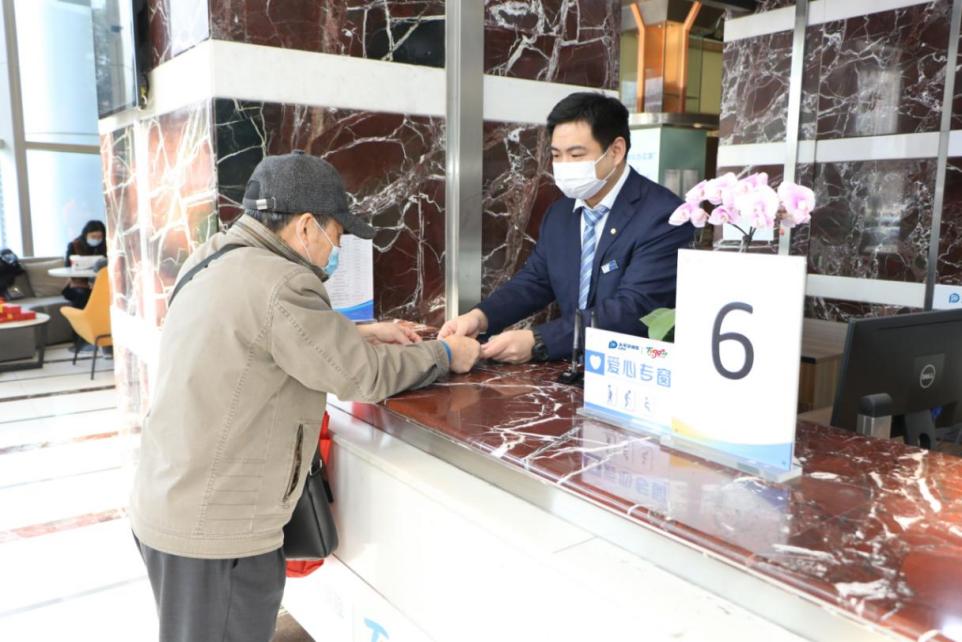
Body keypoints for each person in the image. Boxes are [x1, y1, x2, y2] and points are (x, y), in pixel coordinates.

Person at [129, 151, 481, 642]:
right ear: (307, 226)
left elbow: (257, 334)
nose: (338, 248)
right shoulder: (285, 281)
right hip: (218, 534)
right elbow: (363, 377)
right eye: (338, 234)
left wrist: (359, 330)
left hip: (168, 501)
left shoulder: (211, 256)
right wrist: (444, 353)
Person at [439, 92, 695, 363]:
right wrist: (481, 317)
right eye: (556, 155)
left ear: (616, 151)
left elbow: (634, 309)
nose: (563, 166)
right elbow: (536, 280)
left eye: (576, 154)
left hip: (631, 368)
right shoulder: (561, 213)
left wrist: (540, 340)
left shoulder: (663, 216)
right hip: (571, 367)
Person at [62, 220, 107, 309]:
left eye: (99, 237)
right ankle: (79, 317)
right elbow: (68, 266)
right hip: (78, 284)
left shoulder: (105, 245)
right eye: (93, 237)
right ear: (86, 235)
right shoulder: (74, 245)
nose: (96, 239)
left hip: (99, 283)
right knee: (83, 294)